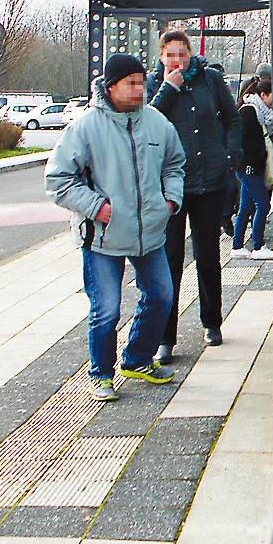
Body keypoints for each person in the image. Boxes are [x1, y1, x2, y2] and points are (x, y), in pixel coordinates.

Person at [46, 54, 184, 401]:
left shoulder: (157, 123)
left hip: (150, 233)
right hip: (102, 236)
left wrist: (170, 199)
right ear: (111, 87)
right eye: (131, 84)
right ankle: (101, 373)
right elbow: (59, 180)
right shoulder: (85, 127)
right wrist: (96, 207)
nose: (140, 89)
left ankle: (137, 359)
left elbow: (175, 164)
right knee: (106, 309)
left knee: (162, 296)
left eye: (141, 82)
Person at [147, 28, 242, 358]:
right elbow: (148, 121)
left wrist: (229, 156)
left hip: (210, 180)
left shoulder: (210, 80)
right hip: (170, 185)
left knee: (208, 255)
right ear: (161, 57)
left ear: (190, 54)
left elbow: (233, 119)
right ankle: (165, 337)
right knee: (169, 260)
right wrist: (168, 88)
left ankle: (211, 321)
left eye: (182, 53)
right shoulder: (154, 84)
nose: (177, 60)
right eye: (170, 54)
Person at [233, 66, 273, 259]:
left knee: (246, 207)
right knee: (262, 205)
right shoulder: (250, 111)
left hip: (248, 165)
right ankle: (258, 245)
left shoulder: (255, 110)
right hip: (249, 166)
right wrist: (258, 157)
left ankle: (237, 246)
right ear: (263, 94)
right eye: (272, 97)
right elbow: (245, 141)